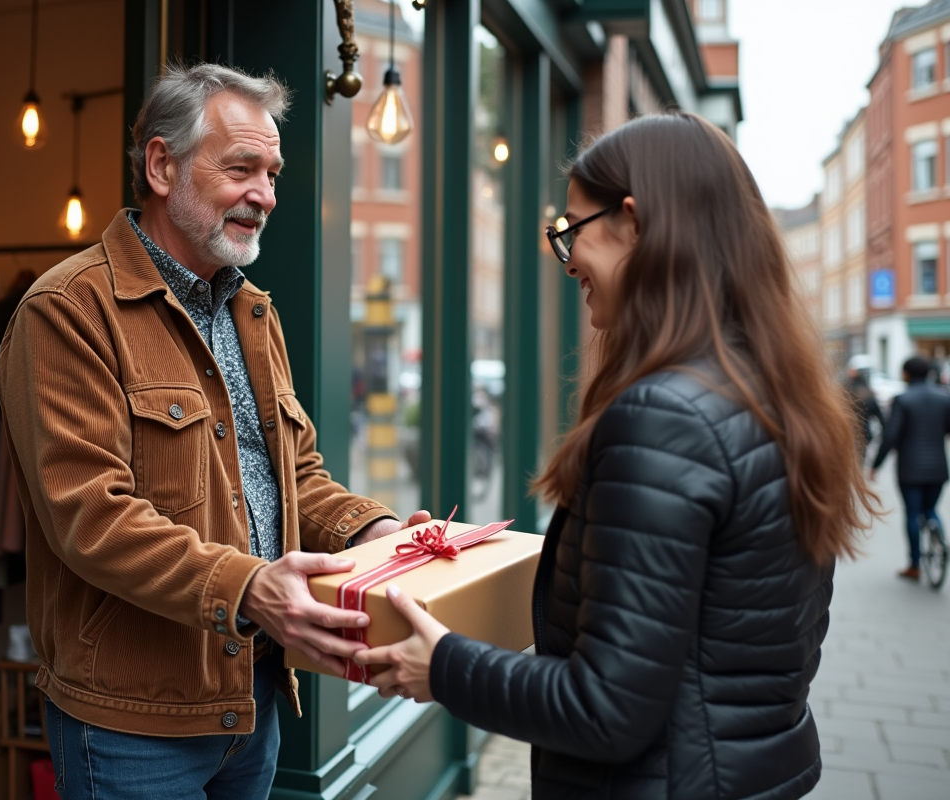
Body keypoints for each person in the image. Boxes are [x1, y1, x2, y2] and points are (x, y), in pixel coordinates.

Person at [354, 113, 877, 800]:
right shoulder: (778, 397)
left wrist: (444, 665)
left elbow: (607, 711)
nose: (568, 261)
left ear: (633, 222)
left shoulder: (664, 418)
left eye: (572, 230)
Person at [0, 64, 428, 800]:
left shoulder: (253, 312)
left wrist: (378, 533)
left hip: (253, 700)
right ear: (162, 166)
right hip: (131, 725)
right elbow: (90, 516)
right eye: (241, 169)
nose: (265, 195)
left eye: (272, 172)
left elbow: (296, 474)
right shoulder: (67, 310)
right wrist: (252, 587)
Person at [869, 356, 950, 579]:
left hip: (910, 469)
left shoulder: (903, 400)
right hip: (938, 468)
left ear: (906, 374)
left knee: (913, 514)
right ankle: (940, 543)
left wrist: (876, 465)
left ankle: (914, 565)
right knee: (930, 509)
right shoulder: (944, 398)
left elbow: (891, 435)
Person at [845, 355, 884, 459]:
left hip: (848, 435)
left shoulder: (846, 391)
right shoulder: (869, 393)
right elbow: (881, 418)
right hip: (863, 435)